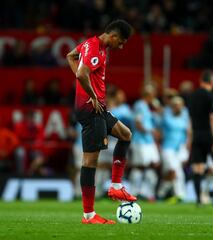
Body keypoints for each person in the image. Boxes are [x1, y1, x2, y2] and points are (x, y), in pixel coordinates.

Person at [66, 19, 136, 224]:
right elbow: (81, 73)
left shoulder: (89, 44)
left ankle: (115, 186)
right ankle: (88, 215)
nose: (121, 47)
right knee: (90, 161)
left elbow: (71, 56)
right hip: (91, 110)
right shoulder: (96, 49)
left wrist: (84, 86)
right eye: (121, 42)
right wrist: (92, 95)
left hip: (98, 108)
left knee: (126, 134)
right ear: (113, 36)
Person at [188, 70, 213, 207]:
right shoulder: (212, 97)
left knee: (198, 167)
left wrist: (190, 137)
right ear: (212, 81)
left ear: (201, 80)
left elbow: (190, 119)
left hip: (197, 134)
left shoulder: (192, 97)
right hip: (210, 135)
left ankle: (199, 200)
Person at [129, 84, 160, 201]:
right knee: (140, 166)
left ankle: (146, 193)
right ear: (149, 94)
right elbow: (138, 124)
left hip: (149, 142)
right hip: (140, 141)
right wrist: (151, 131)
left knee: (154, 165)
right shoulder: (139, 105)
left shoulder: (147, 107)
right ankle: (134, 192)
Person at [158, 96, 191, 202]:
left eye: (179, 105)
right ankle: (179, 194)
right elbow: (159, 131)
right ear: (171, 106)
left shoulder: (185, 117)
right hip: (167, 148)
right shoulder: (165, 117)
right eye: (175, 105)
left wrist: (188, 146)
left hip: (180, 149)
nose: (177, 107)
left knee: (174, 171)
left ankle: (161, 193)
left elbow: (188, 132)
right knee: (174, 170)